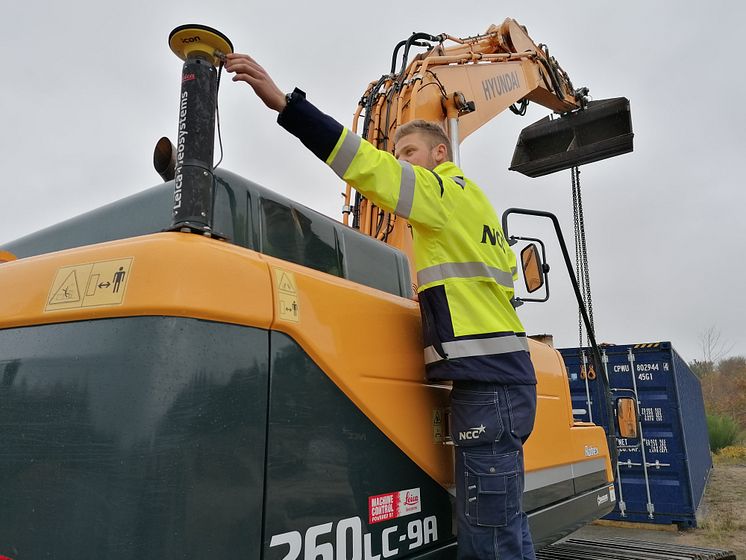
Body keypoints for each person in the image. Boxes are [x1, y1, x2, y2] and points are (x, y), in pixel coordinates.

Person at [225, 53, 538, 560]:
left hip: (489, 385)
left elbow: (367, 167)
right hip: (504, 383)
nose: (402, 161)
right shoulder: (478, 209)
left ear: (441, 154)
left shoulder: (442, 190)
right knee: (504, 522)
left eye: (410, 151)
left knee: (487, 538)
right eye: (399, 152)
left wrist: (286, 106)